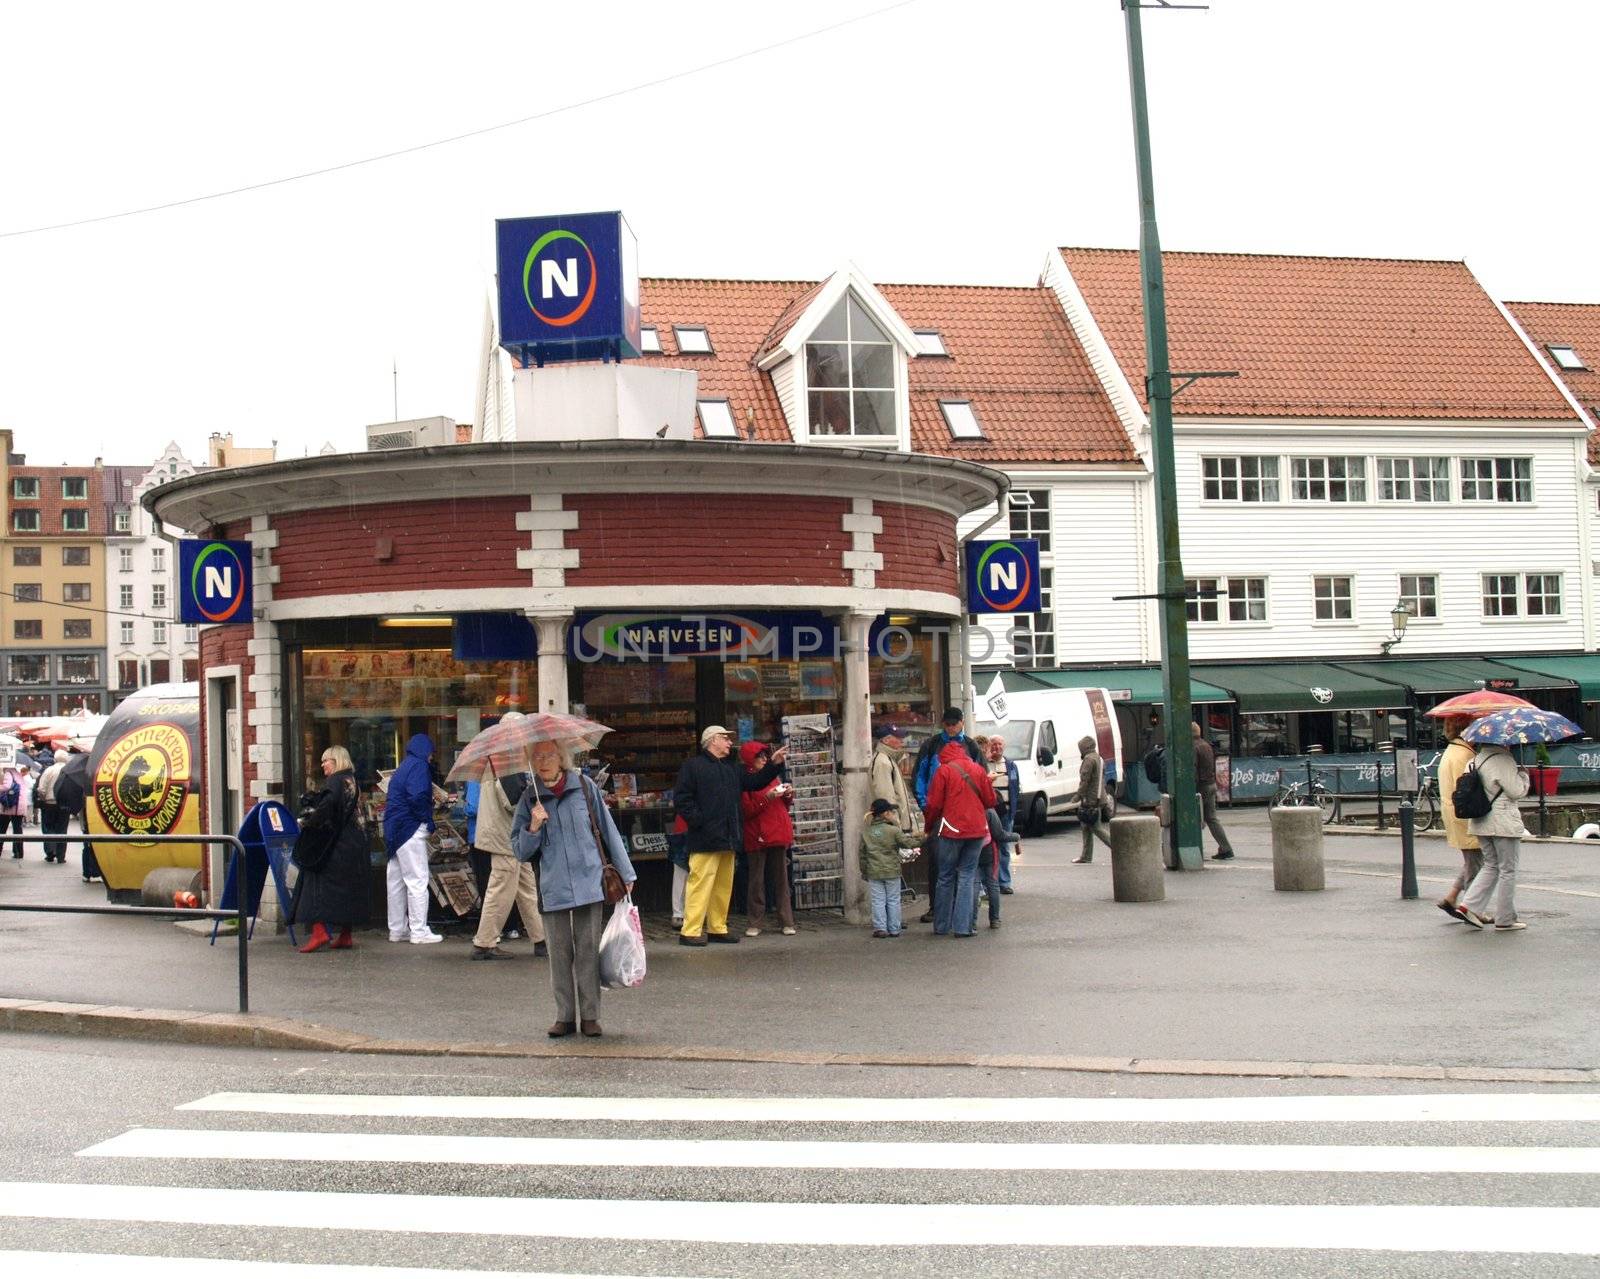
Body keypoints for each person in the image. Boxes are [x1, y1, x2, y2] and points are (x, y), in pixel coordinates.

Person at [512, 740, 636, 1037]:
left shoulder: (584, 787)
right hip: (553, 885)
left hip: (589, 880)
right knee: (559, 953)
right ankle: (564, 1016)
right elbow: (519, 850)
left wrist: (626, 871)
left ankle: (591, 1016)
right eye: (537, 757)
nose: (543, 762)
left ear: (561, 758)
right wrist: (533, 827)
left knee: (588, 951)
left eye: (549, 755)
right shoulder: (529, 799)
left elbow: (607, 829)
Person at [672, 726, 784, 947]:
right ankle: (690, 930)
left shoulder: (732, 769)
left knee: (723, 886)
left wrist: (774, 765)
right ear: (713, 740)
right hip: (706, 836)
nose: (729, 742)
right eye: (725, 738)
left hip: (728, 835)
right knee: (700, 884)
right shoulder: (693, 767)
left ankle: (717, 927)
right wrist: (699, 821)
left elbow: (756, 782)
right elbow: (682, 799)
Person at [470, 725, 547, 961]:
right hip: (506, 838)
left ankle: (542, 939)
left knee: (527, 888)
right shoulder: (507, 762)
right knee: (501, 889)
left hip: (506, 835)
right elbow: (513, 802)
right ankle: (484, 943)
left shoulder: (496, 757)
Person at [290, 746, 371, 952]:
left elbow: (327, 809)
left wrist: (308, 822)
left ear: (337, 761)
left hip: (337, 845)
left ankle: (319, 932)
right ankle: (345, 934)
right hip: (356, 844)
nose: (323, 764)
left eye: (327, 760)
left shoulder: (335, 782)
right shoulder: (352, 781)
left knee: (313, 883)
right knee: (347, 889)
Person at [912, 708, 983, 922]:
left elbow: (981, 778)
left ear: (962, 723)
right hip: (940, 813)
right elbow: (919, 779)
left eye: (954, 724)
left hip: (963, 814)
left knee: (964, 866)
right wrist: (927, 807)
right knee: (937, 862)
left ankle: (960, 912)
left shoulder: (971, 746)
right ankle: (938, 909)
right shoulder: (931, 745)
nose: (951, 728)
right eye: (947, 724)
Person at [922, 738, 996, 938]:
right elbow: (990, 800)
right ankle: (963, 927)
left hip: (951, 829)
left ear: (943, 757)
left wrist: (929, 827)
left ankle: (942, 925)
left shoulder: (943, 771)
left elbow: (934, 804)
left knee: (945, 877)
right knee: (967, 876)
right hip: (976, 829)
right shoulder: (978, 770)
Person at [1455, 741, 1531, 932]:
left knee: (1490, 865)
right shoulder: (1503, 760)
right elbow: (1516, 791)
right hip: (1503, 821)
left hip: (1480, 821)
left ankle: (1468, 905)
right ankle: (1505, 918)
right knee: (1508, 870)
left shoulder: (1474, 761)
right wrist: (1523, 776)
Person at [383, 733, 441, 944]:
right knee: (417, 880)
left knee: (396, 883)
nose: (431, 758)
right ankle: (419, 931)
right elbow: (418, 796)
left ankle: (397, 930)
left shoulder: (403, 767)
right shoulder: (418, 767)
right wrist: (428, 820)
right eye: (431, 753)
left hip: (393, 829)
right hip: (410, 828)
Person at [739, 740, 796, 938]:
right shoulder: (746, 780)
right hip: (757, 834)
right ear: (750, 760)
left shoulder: (772, 777)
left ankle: (787, 921)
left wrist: (787, 795)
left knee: (781, 879)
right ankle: (755, 922)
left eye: (765, 757)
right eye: (760, 757)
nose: (763, 760)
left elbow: (783, 805)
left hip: (777, 832)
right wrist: (768, 798)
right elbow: (746, 811)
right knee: (756, 881)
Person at [1434, 715, 1482, 920]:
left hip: (1452, 812)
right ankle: (1472, 909)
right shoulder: (1464, 755)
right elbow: (1469, 787)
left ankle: (1451, 897)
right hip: (1465, 816)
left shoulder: (1452, 751)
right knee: (1477, 865)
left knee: (1473, 862)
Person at [859, 798, 922, 938]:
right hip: (892, 870)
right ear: (885, 814)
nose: (893, 814)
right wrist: (924, 838)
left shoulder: (866, 832)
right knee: (893, 899)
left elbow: (862, 855)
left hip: (874, 871)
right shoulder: (893, 831)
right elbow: (908, 843)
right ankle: (894, 928)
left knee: (878, 900)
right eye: (891, 811)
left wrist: (864, 871)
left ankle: (880, 928)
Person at [1193, 722, 1235, 861]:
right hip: (1211, 784)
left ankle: (1194, 847)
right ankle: (1226, 848)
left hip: (1201, 787)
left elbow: (1193, 770)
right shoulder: (1206, 745)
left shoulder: (1193, 747)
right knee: (1212, 818)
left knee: (1194, 818)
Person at [984, 734, 1020, 893]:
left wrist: (1013, 810)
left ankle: (1004, 882)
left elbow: (1015, 787)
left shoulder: (1010, 765)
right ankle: (989, 882)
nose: (996, 747)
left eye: (999, 744)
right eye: (993, 744)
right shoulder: (985, 764)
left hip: (1005, 812)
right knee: (987, 847)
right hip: (990, 812)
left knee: (1004, 848)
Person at [1072, 734, 1114, 864]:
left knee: (1096, 828)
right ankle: (1086, 856)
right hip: (1099, 797)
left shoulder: (1089, 760)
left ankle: (1118, 847)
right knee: (1086, 827)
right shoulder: (1099, 758)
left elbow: (1085, 780)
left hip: (1090, 798)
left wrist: (1078, 795)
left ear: (1084, 748)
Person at [870, 725, 917, 835]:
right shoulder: (883, 762)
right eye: (898, 738)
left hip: (894, 826)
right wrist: (896, 825)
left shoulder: (887, 759)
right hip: (892, 827)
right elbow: (885, 797)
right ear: (886, 740)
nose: (902, 741)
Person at [36, 750, 69, 863]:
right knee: (62, 830)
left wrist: (44, 798)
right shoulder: (69, 771)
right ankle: (61, 856)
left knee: (48, 828)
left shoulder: (48, 770)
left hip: (49, 804)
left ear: (55, 759)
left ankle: (50, 852)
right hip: (64, 805)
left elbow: (41, 789)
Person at [0, 763, 31, 859]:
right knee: (17, 830)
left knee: (2, 829)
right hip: (18, 806)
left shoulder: (8, 773)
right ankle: (19, 852)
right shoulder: (17, 773)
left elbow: (6, 786)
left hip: (10, 806)